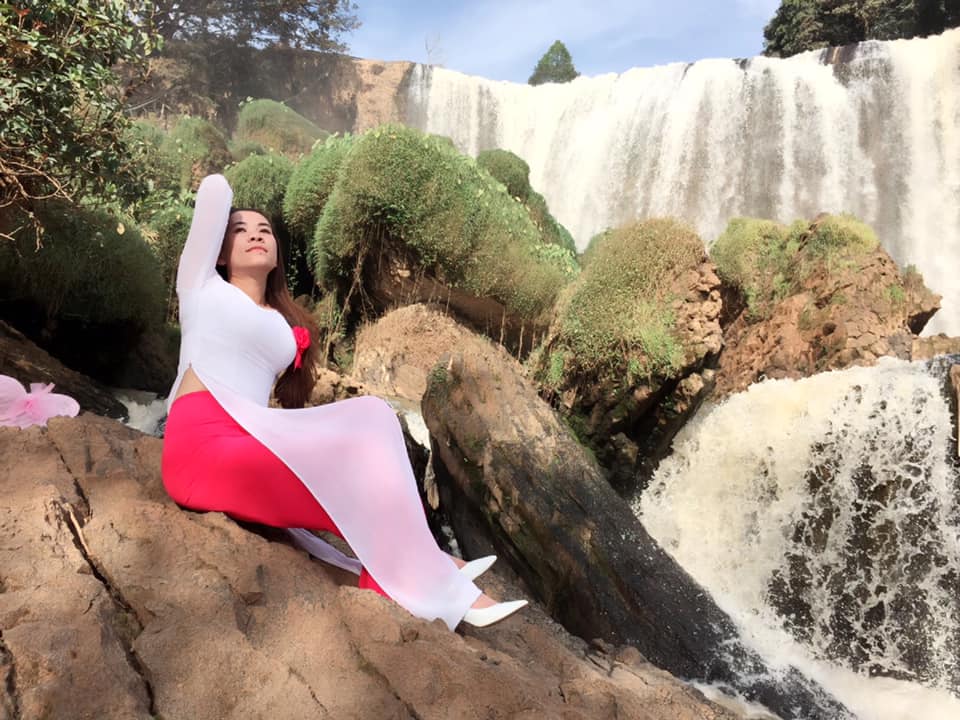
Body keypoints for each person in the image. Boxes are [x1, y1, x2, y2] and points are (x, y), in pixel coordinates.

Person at [160, 173, 527, 630]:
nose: (256, 234)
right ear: (218, 251)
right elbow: (215, 189)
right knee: (352, 484)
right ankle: (437, 572)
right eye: (240, 230)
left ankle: (421, 567)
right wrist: (226, 215)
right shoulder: (200, 287)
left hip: (250, 438)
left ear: (277, 254)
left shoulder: (283, 321)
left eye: (265, 230)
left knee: (373, 414)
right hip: (201, 450)